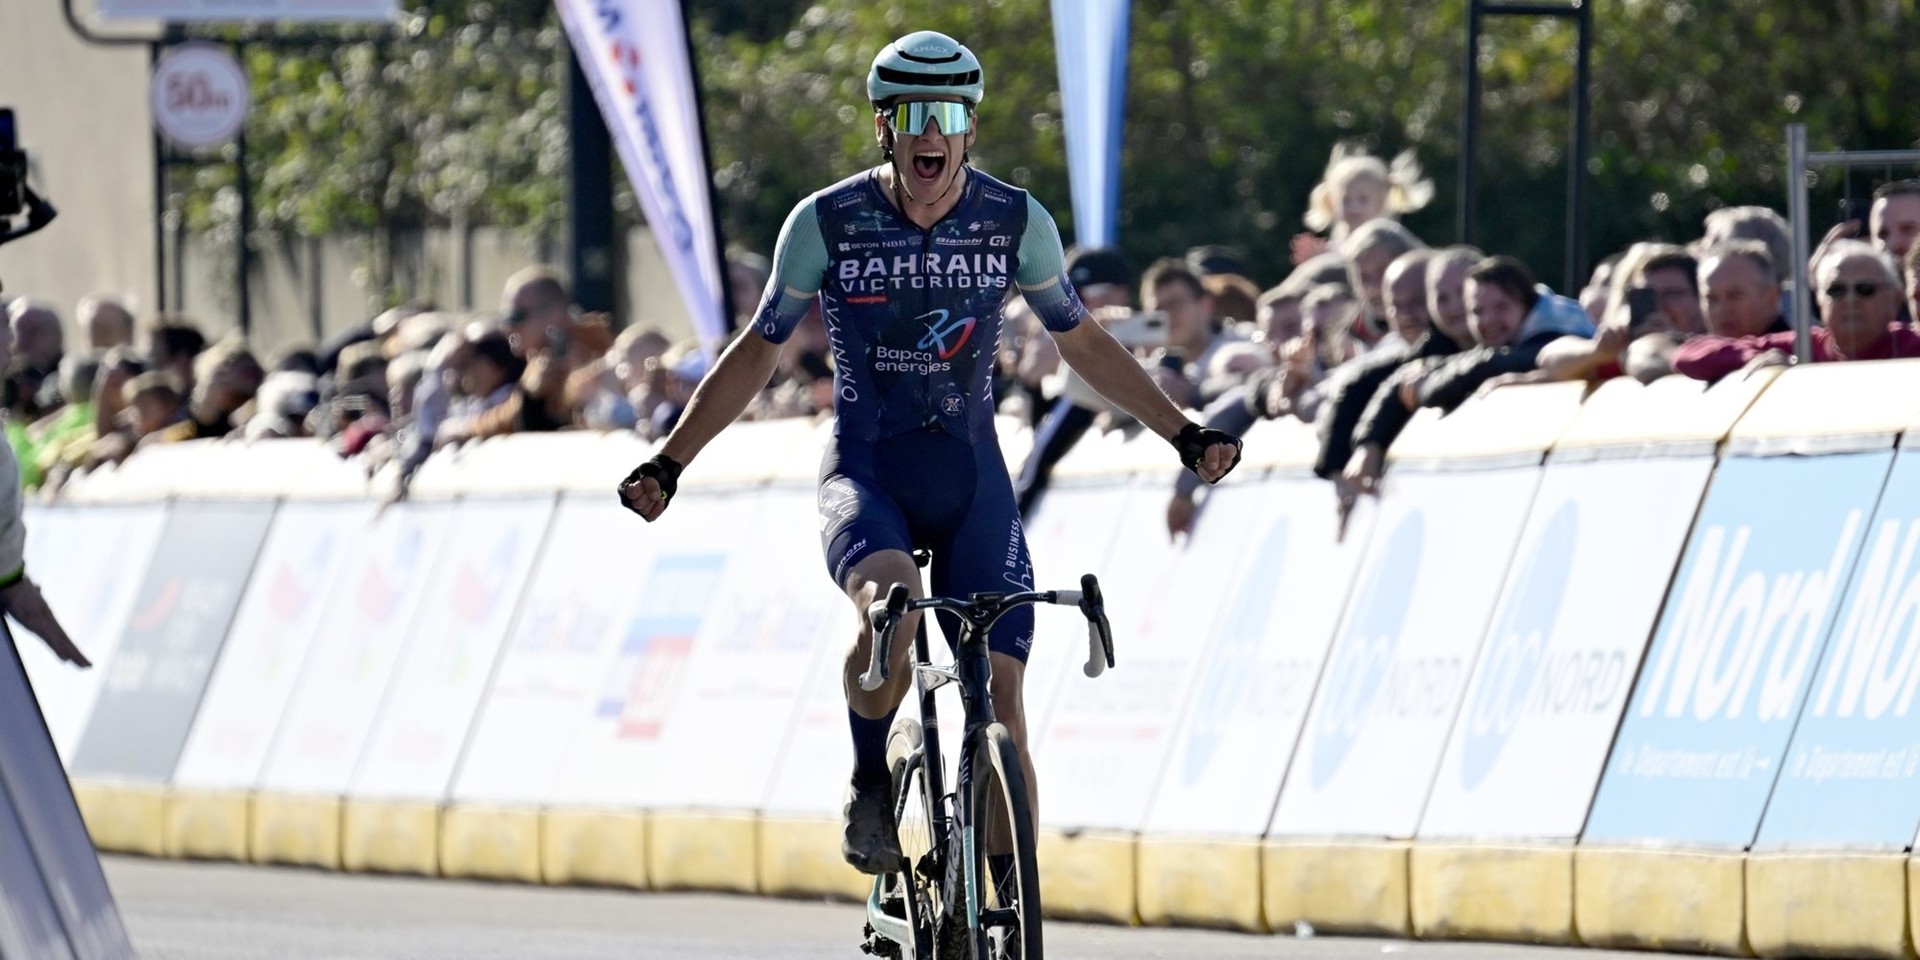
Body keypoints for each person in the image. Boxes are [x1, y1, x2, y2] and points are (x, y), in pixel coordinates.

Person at [616, 30, 1242, 879]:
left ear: (970, 129)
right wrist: (670, 462)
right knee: (893, 611)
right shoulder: (826, 222)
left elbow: (1084, 343)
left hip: (971, 478)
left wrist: (1184, 432)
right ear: (885, 127)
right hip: (869, 471)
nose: (931, 134)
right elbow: (759, 350)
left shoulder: (1015, 220)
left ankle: (1004, 904)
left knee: (1004, 697)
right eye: (913, 116)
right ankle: (870, 780)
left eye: (947, 115)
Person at [1672, 241, 1920, 382]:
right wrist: (1753, 359)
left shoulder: (1912, 345)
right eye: (1836, 290)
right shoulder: (1803, 346)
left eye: (1865, 289)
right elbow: (1687, 355)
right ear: (1818, 298)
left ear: (1896, 298)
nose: (1850, 300)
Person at [1301, 142, 1434, 252]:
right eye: (1345, 200)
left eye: (1363, 200)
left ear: (1381, 201)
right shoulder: (1334, 248)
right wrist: (1315, 259)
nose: (1353, 207)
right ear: (1331, 201)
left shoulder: (1392, 240)